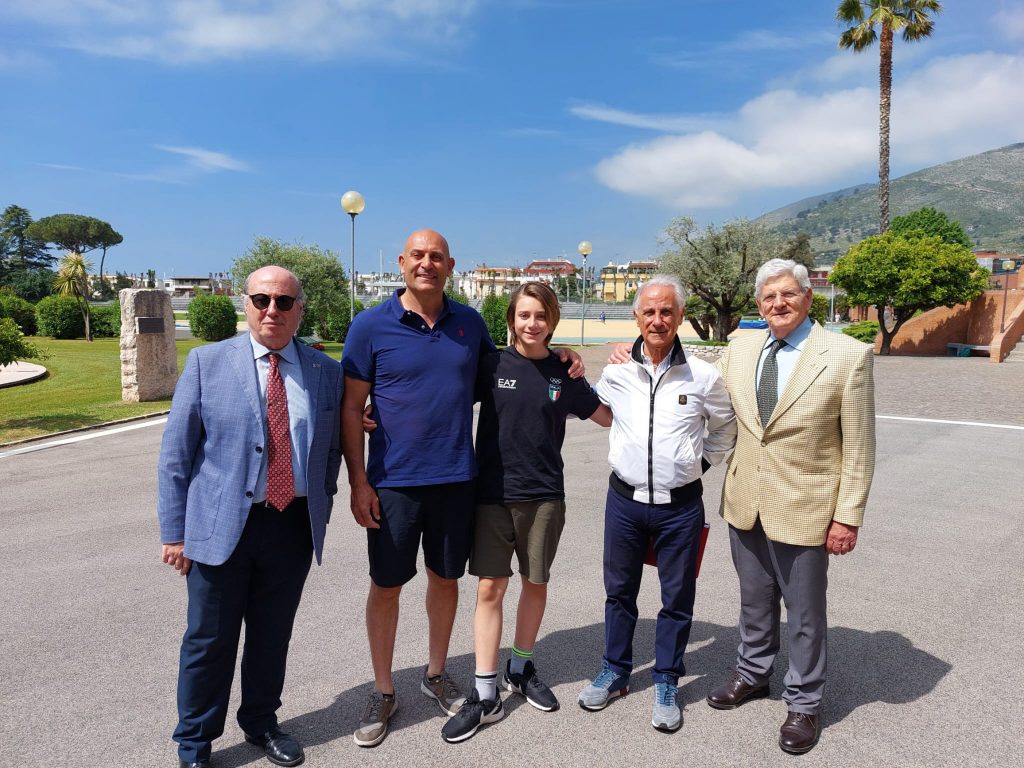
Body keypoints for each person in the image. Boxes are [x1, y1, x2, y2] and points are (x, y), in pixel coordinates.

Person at [341, 230, 583, 748]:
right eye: (418, 256)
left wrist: (559, 354)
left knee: (445, 581)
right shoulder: (370, 326)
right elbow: (349, 406)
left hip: (457, 480)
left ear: (449, 266)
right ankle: (384, 691)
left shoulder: (469, 325)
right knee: (386, 586)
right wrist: (358, 480)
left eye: (436, 257)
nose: (426, 264)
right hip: (393, 483)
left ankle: (435, 675)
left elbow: (513, 365)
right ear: (403, 262)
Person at [158, 266, 344, 768]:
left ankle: (262, 722)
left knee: (271, 635)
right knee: (209, 639)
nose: (272, 311)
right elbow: (177, 456)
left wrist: (321, 495)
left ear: (299, 310)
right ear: (246, 304)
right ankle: (194, 741)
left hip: (292, 525)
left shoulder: (325, 371)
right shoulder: (206, 363)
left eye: (284, 302)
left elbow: (330, 449)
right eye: (262, 299)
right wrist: (174, 533)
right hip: (221, 527)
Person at [705, 258, 875, 755]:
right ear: (759, 305)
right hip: (745, 500)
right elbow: (697, 383)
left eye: (788, 294)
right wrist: (631, 357)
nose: (778, 304)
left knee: (804, 613)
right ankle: (753, 673)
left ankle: (803, 702)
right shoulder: (741, 348)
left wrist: (848, 515)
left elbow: (860, 447)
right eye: (768, 297)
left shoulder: (847, 356)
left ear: (808, 297)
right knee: (753, 601)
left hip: (807, 506)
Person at [441, 282, 612, 743]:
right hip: (492, 495)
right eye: (523, 315)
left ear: (551, 321)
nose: (531, 324)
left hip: (544, 497)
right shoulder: (492, 365)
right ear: (511, 319)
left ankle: (519, 665)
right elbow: (443, 392)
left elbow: (607, 417)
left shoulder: (565, 374)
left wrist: (620, 367)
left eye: (540, 316)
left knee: (535, 582)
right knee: (491, 588)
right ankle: (485, 692)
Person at [577, 275, 736, 733]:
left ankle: (667, 677)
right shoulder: (618, 371)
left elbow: (724, 430)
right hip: (624, 502)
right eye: (649, 311)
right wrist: (566, 364)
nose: (658, 319)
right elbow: (595, 407)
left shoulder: (703, 376)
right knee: (619, 592)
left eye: (667, 311)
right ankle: (615, 669)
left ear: (680, 317)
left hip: (681, 507)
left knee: (676, 598)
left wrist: (695, 466)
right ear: (636, 317)